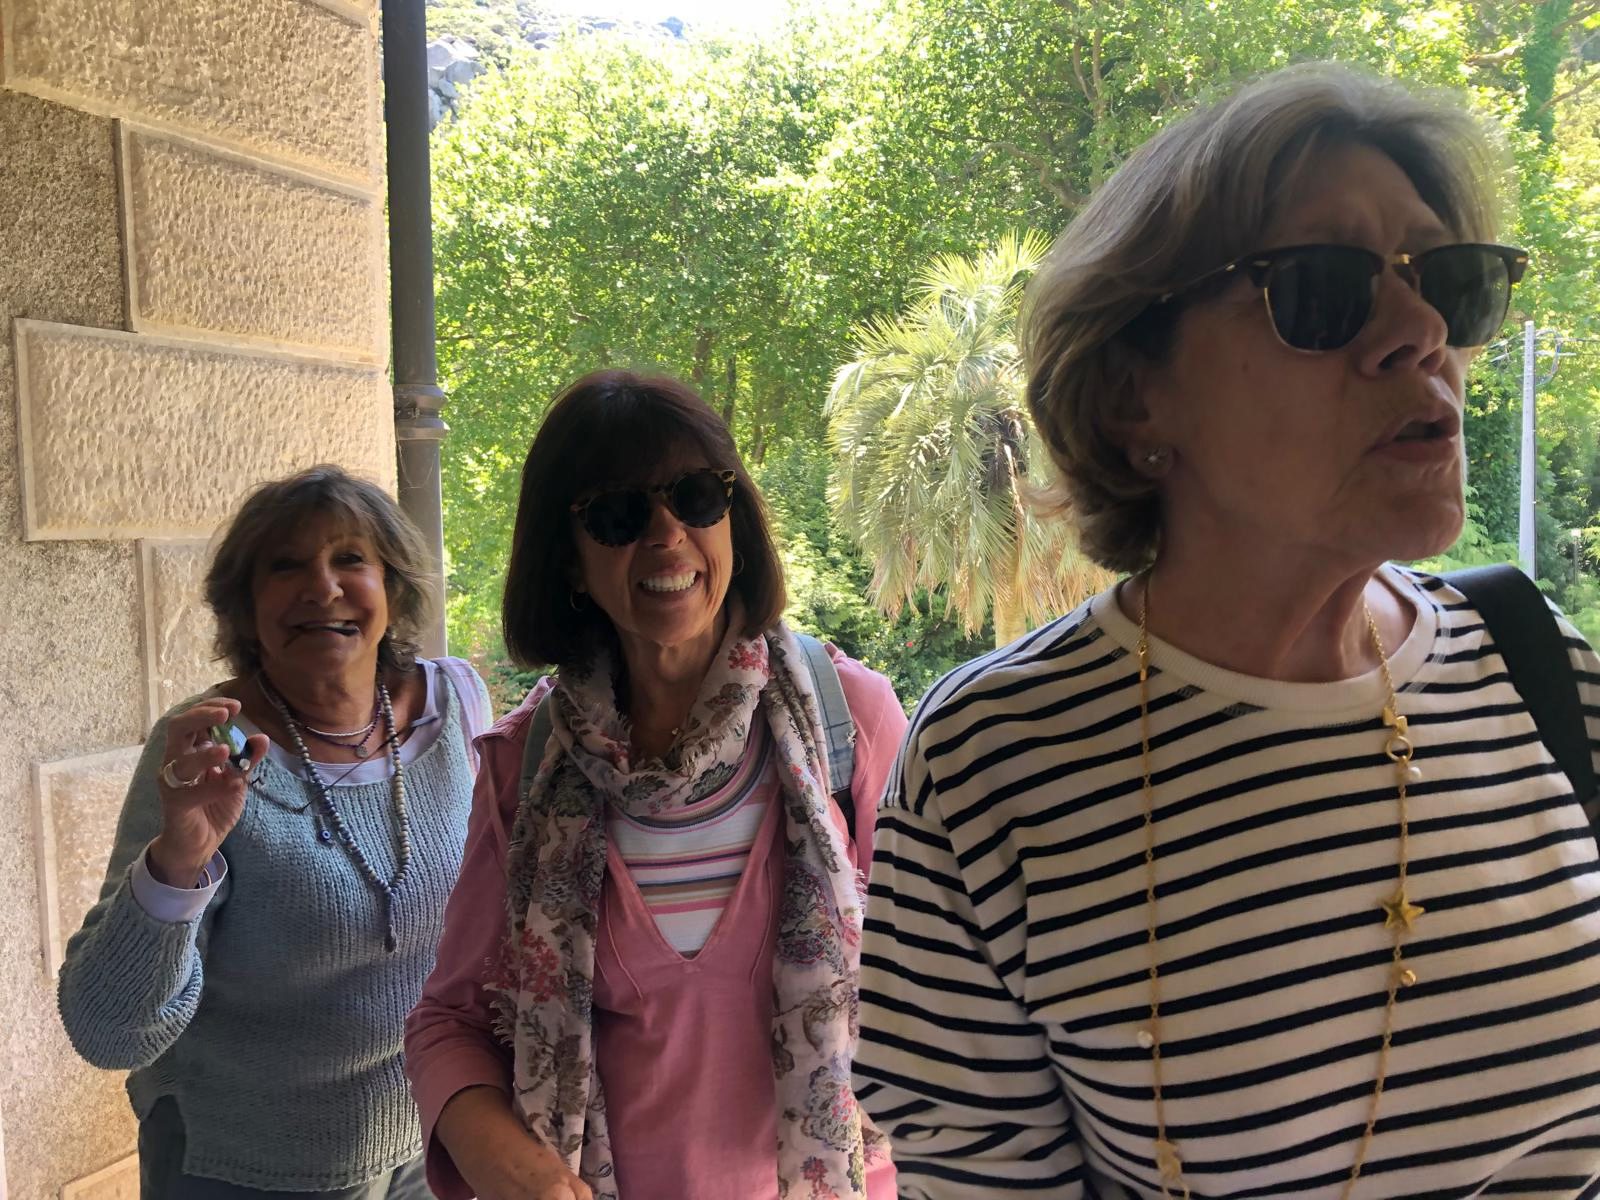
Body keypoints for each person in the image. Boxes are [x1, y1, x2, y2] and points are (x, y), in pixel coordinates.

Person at [853, 62, 1600, 1198]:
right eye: (1321, 289)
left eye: (1449, 281)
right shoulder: (992, 764)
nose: (1419, 332)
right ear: (1134, 397)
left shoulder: (1536, 661)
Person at [404, 370, 904, 1200]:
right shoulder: (527, 766)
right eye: (618, 513)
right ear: (570, 561)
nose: (668, 533)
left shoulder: (848, 724)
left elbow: (939, 985)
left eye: (697, 496)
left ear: (733, 521)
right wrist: (505, 1162)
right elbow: (447, 1022)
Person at [58, 466, 491, 1199]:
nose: (322, 587)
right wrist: (180, 859)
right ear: (246, 607)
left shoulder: (456, 705)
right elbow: (108, 1031)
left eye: (350, 558)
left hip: (428, 1141)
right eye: (286, 566)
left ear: (393, 586)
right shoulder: (210, 747)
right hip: (246, 1159)